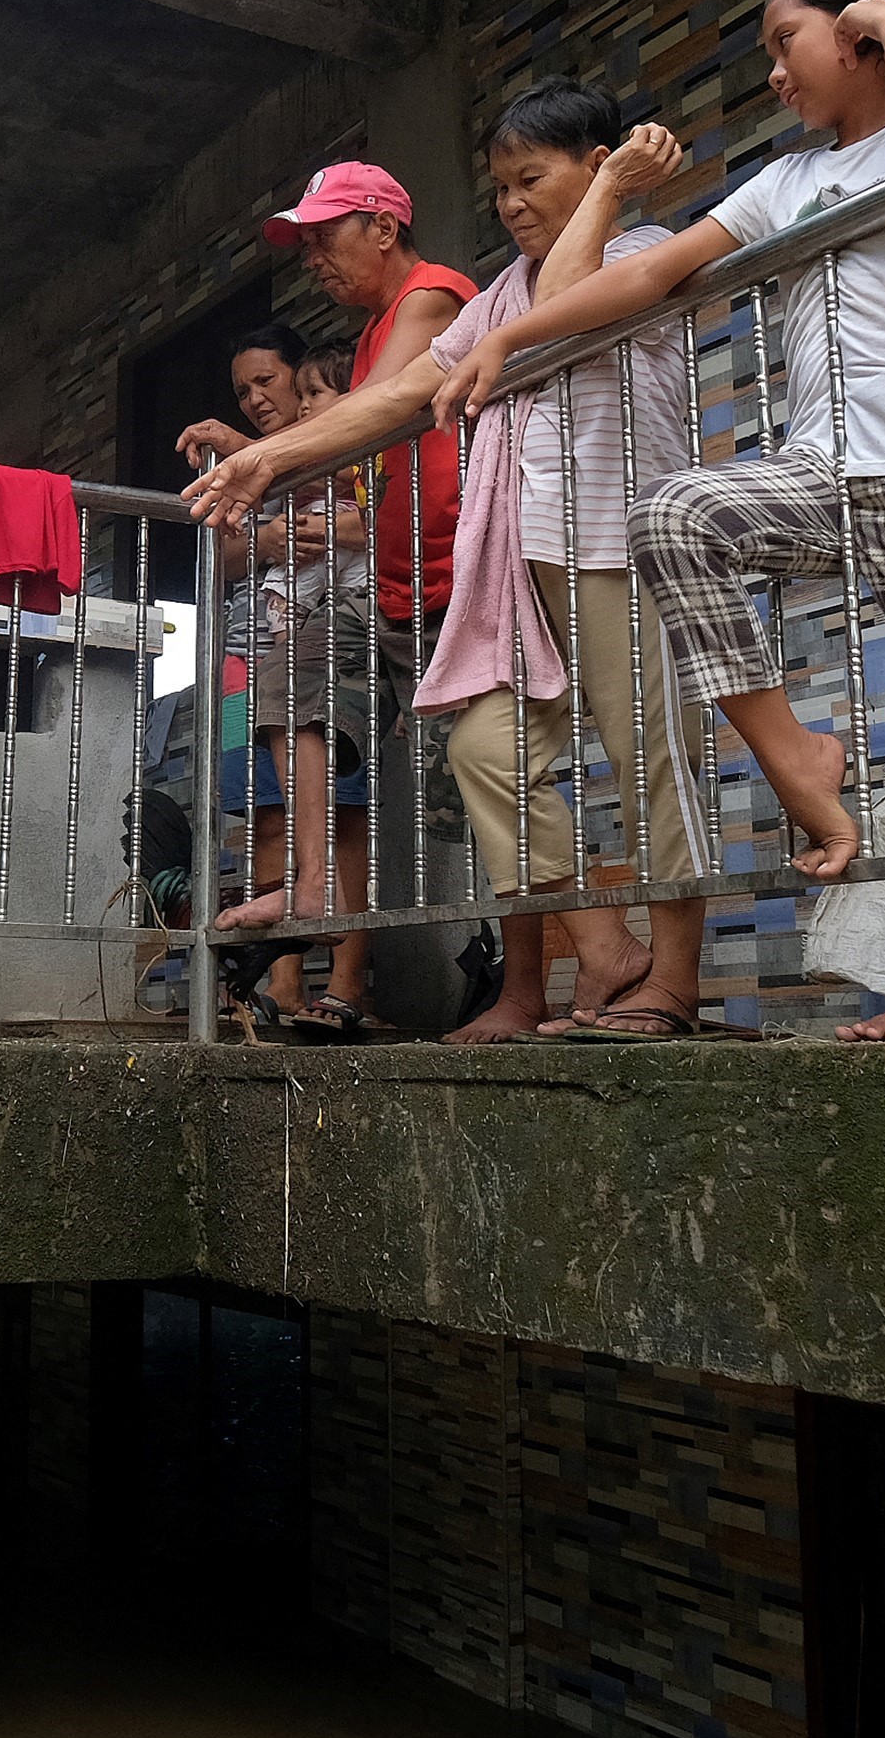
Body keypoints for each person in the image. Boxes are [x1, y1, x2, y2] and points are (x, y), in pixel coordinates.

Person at [449, 0, 885, 1042]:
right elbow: (648, 271)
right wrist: (508, 337)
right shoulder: (790, 180)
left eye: (785, 43)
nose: (771, 71)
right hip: (824, 465)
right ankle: (794, 755)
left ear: (859, 32)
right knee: (677, 513)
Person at [195, 84, 715, 1041]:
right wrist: (269, 456)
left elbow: (562, 308)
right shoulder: (500, 292)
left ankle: (672, 988)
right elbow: (400, 399)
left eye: (533, 180)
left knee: (652, 759)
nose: (511, 203)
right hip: (518, 565)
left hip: (622, 541)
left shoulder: (640, 251)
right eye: (501, 187)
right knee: (488, 752)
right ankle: (610, 956)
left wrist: (608, 196)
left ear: (599, 169)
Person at [172, 162, 468, 1040]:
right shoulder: (378, 326)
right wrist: (255, 450)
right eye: (304, 247)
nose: (315, 262)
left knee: (491, 777)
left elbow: (378, 411)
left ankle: (581, 968)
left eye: (326, 237)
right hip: (394, 584)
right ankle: (304, 891)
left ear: (384, 225)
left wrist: (262, 457)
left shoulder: (432, 294)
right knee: (290, 672)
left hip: (454, 571)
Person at [186, 321, 373, 1034]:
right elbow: (222, 552)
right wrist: (261, 538)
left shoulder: (333, 449)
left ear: (304, 382)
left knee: (342, 810)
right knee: (259, 806)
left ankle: (348, 984)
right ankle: (283, 984)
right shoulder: (256, 469)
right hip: (241, 668)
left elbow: (378, 519)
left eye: (267, 381)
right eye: (242, 390)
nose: (255, 398)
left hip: (319, 652)